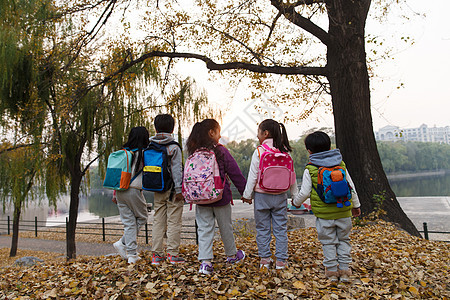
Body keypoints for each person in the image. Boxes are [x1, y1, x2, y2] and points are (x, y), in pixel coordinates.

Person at [292, 131, 361, 283]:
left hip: (324, 215)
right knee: (344, 240)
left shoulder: (310, 169)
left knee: (328, 242)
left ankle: (331, 271)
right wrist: (356, 205)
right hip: (343, 210)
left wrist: (295, 203)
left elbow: (304, 192)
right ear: (330, 147)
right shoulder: (341, 165)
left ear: (309, 150)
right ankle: (344, 270)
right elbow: (351, 187)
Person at [185, 119, 247, 275]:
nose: (220, 136)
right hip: (221, 197)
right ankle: (232, 255)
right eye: (218, 131)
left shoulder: (193, 152)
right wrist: (245, 193)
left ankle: (205, 263)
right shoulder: (220, 151)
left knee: (204, 229)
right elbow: (235, 173)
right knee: (226, 227)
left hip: (200, 198)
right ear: (212, 132)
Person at [241, 119, 298, 270]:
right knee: (281, 229)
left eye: (258, 132)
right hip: (281, 196)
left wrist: (247, 195)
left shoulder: (259, 151)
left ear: (265, 133)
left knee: (262, 229)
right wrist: (295, 197)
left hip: (262, 196)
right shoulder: (285, 152)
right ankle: (281, 261)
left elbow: (253, 175)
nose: (257, 135)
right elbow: (292, 176)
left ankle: (265, 260)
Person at [150, 114, 185, 265]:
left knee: (158, 220)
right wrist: (179, 190)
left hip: (157, 188)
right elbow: (177, 170)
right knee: (174, 221)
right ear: (172, 128)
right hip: (172, 190)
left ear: (155, 127)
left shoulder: (149, 145)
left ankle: (156, 255)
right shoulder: (174, 147)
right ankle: (172, 254)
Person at [112, 126, 149, 264]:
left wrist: (115, 194)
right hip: (134, 190)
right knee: (142, 217)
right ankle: (122, 243)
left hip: (120, 190)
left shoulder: (123, 153)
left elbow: (118, 175)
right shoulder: (143, 153)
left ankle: (132, 255)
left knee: (128, 222)